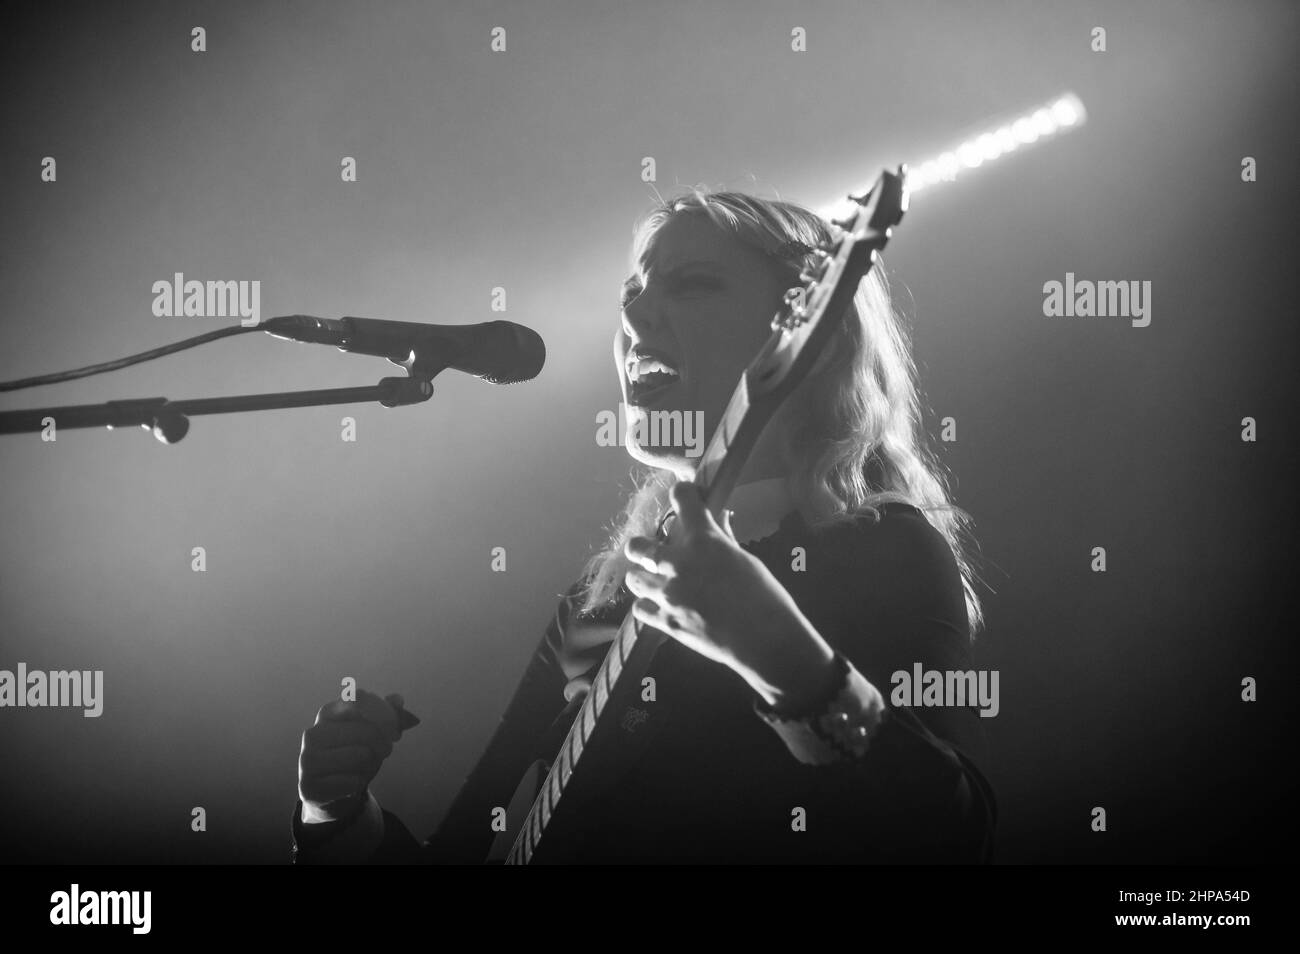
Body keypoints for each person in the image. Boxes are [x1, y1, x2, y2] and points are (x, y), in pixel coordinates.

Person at [291, 189, 997, 864]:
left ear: (807, 329)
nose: (637, 318)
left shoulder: (885, 550)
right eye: (630, 294)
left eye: (690, 285)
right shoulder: (595, 605)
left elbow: (952, 838)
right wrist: (337, 815)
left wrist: (780, 657)